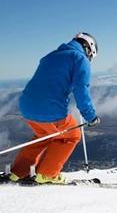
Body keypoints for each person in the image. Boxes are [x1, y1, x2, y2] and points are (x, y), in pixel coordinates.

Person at [7, 32, 100, 184]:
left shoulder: (51, 56)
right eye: (91, 55)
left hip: (26, 106)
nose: (89, 58)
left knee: (43, 136)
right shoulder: (80, 59)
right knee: (72, 135)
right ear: (89, 48)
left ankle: (18, 172)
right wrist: (91, 116)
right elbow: (81, 89)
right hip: (49, 109)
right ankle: (47, 174)